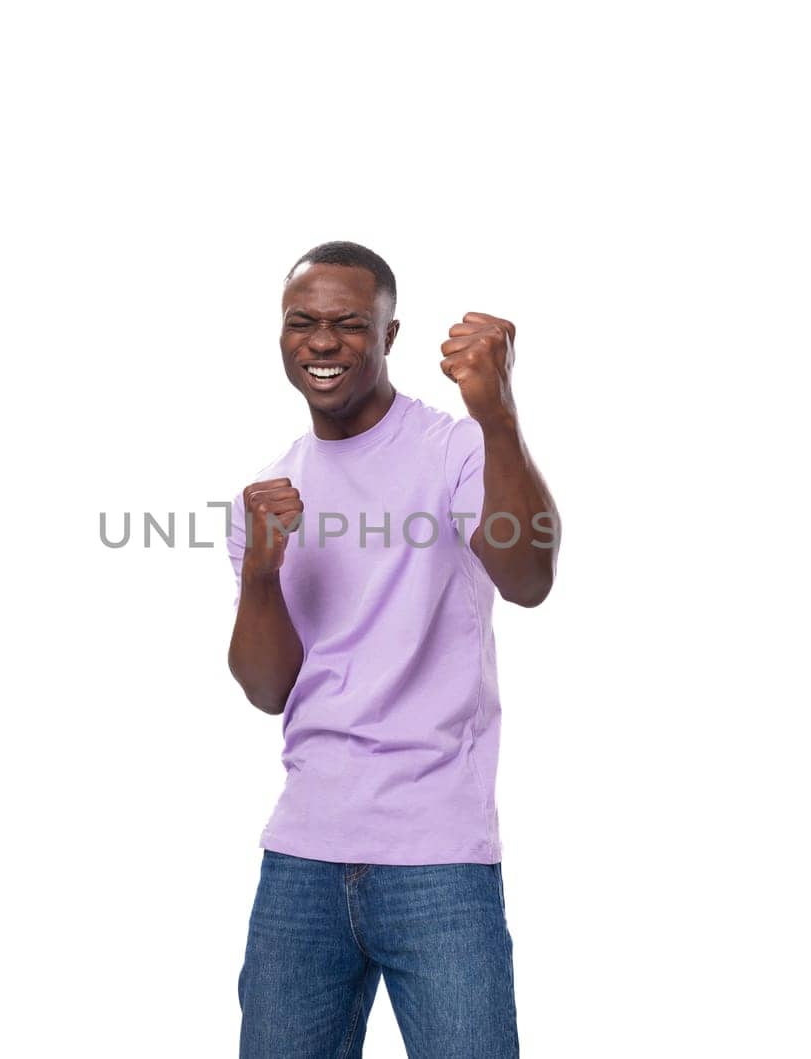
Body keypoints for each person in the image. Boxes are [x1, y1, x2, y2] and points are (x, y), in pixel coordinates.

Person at [225, 241, 560, 1057]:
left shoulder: (455, 448)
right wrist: (264, 570)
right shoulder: (271, 488)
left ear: (388, 333)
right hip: (301, 856)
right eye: (303, 322)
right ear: (281, 333)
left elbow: (527, 576)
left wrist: (498, 412)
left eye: (348, 323)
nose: (323, 342)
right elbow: (269, 688)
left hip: (435, 855)